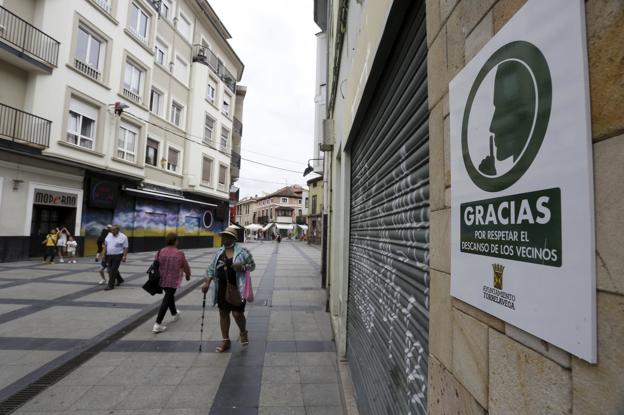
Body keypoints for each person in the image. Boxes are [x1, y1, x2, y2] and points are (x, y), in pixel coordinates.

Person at [202, 225, 255, 352]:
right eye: (224, 236)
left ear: (233, 238)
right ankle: (225, 340)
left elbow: (252, 266)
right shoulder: (218, 253)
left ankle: (243, 332)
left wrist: (242, 267)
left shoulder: (243, 252)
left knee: (237, 313)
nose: (224, 239)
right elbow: (211, 269)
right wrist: (207, 283)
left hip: (238, 287)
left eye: (227, 237)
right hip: (221, 287)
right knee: (223, 313)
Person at [152, 233, 192, 333]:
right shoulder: (179, 253)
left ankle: (174, 313)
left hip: (162, 279)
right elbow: (185, 265)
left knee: (169, 296)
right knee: (167, 299)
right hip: (173, 280)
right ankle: (157, 324)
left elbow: (155, 263)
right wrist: (188, 275)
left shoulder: (160, 251)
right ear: (175, 241)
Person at [103, 225, 128, 291]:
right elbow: (106, 245)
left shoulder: (123, 237)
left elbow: (125, 247)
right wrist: (104, 254)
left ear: (118, 230)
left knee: (113, 270)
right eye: (111, 230)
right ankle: (120, 279)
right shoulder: (109, 235)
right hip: (109, 255)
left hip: (118, 255)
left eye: (113, 230)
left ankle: (110, 285)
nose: (112, 231)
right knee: (111, 269)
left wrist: (124, 256)